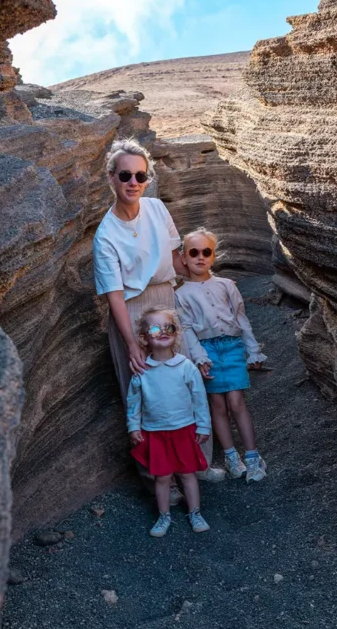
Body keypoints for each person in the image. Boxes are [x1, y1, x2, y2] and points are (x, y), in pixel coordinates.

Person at [92, 138, 225, 495]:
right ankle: (159, 483)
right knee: (145, 394)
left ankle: (196, 466)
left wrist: (205, 288)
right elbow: (114, 294)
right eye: (125, 175)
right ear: (111, 178)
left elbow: (175, 258)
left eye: (140, 175)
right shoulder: (105, 234)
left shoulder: (155, 208)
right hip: (132, 309)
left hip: (166, 298)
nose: (133, 182)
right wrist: (132, 343)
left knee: (186, 383)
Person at [176, 228, 268, 483]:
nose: (200, 257)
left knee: (237, 402)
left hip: (232, 346)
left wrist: (253, 350)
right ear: (183, 257)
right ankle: (230, 457)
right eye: (193, 252)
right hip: (208, 350)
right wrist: (199, 357)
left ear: (214, 256)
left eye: (206, 252)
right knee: (217, 405)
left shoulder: (227, 286)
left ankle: (253, 457)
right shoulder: (181, 294)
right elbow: (185, 329)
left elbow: (241, 318)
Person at [127, 308, 211, 537]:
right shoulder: (142, 372)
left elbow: (200, 399)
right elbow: (134, 402)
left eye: (168, 327)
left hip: (184, 429)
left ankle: (195, 512)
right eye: (155, 328)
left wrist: (204, 425)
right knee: (162, 477)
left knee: (187, 474)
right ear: (144, 338)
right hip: (155, 432)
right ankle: (163, 515)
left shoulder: (186, 367)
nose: (163, 331)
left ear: (176, 333)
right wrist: (133, 426)